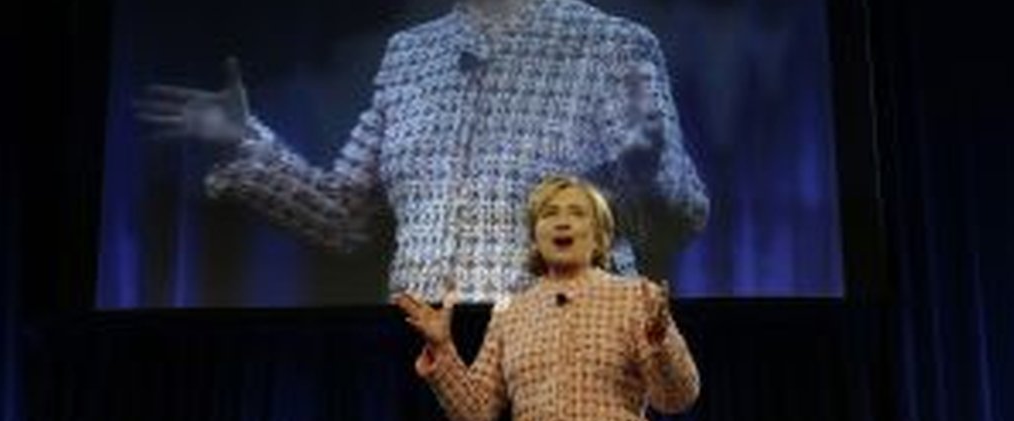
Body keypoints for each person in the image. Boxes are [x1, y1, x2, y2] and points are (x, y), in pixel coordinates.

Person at [135, 0, 709, 303]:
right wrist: (247, 140)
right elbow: (343, 215)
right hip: (425, 351)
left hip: (563, 350)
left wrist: (644, 173)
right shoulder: (410, 55)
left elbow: (683, 212)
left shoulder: (610, 44)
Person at [393, 175, 700, 421]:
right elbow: (476, 413)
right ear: (535, 235)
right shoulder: (511, 313)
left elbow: (676, 397)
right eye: (550, 214)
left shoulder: (634, 298)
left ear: (599, 234)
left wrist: (661, 342)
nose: (562, 222)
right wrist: (443, 351)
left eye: (577, 213)